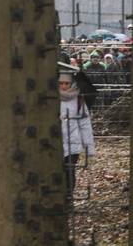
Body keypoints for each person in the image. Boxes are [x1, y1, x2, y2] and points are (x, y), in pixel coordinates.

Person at [59, 69, 95, 200]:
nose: (63, 86)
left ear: (71, 83)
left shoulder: (79, 100)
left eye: (66, 83)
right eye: (61, 83)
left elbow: (85, 124)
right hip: (55, 144)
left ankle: (68, 198)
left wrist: (89, 148)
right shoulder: (50, 98)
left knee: (69, 172)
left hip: (73, 144)